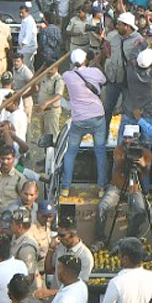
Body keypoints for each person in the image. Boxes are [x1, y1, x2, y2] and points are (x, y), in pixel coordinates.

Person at [60, 48, 108, 196]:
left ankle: (66, 187)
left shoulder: (67, 75)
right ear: (86, 59)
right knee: (100, 151)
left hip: (78, 119)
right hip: (97, 116)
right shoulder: (95, 72)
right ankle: (101, 188)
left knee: (71, 152)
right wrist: (96, 63)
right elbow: (104, 81)